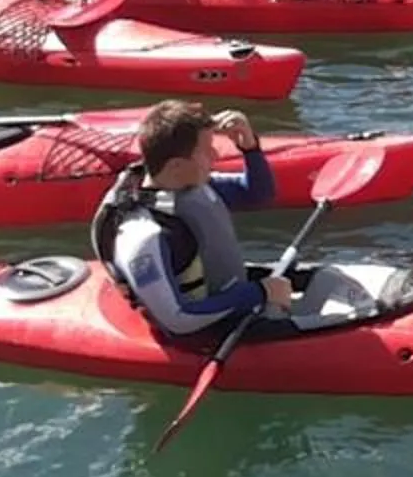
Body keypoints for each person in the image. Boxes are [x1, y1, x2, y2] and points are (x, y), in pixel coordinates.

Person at [91, 99, 295, 337]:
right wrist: (260, 292)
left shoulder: (187, 186)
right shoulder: (143, 237)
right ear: (177, 165)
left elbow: (259, 194)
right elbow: (178, 320)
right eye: (207, 149)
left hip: (226, 296)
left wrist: (249, 147)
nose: (216, 154)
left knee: (302, 273)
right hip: (201, 332)